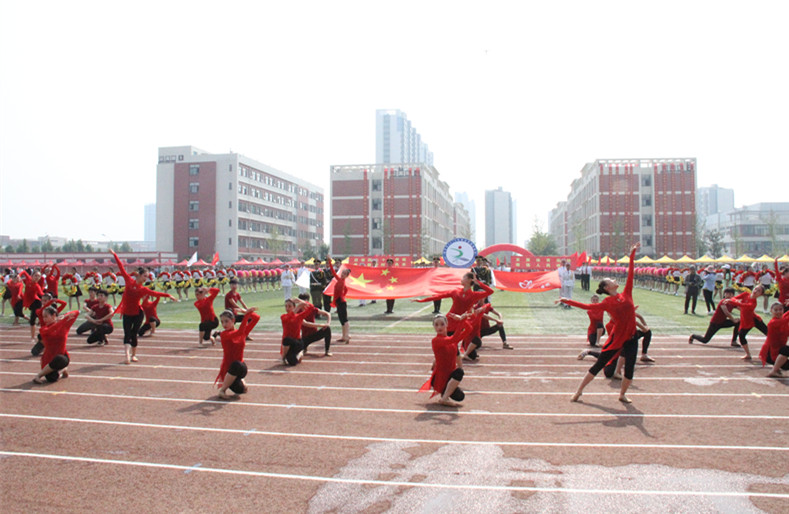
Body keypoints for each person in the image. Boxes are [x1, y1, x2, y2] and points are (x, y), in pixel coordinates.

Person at [560, 242, 640, 404]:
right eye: (610, 280)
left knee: (629, 369)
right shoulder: (607, 302)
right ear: (607, 287)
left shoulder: (627, 293)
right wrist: (567, 300)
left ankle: (622, 394)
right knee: (599, 365)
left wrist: (632, 255)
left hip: (631, 338)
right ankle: (579, 391)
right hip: (617, 338)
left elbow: (630, 274)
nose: (614, 280)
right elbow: (587, 306)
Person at [111, 251, 176, 364]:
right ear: (139, 275)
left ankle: (133, 355)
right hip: (127, 312)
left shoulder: (144, 289)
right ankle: (127, 355)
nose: (146, 278)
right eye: (145, 276)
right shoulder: (129, 280)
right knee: (127, 333)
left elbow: (155, 293)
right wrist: (114, 254)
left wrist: (168, 295)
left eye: (148, 276)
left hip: (137, 313)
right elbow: (121, 267)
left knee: (134, 333)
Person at [415, 272, 494, 335]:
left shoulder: (474, 295)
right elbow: (438, 296)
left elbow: (490, 291)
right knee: (445, 340)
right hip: (450, 319)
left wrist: (478, 282)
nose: (461, 279)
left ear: (470, 280)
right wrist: (422, 300)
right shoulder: (455, 291)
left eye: (464, 277)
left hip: (461, 320)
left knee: (454, 341)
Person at [419, 315, 473, 407]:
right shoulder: (436, 340)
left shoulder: (451, 340)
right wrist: (460, 322)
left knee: (460, 396)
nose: (439, 327)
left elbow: (469, 329)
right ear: (434, 327)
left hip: (449, 376)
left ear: (447, 325)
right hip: (440, 377)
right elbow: (454, 338)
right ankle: (444, 398)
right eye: (436, 325)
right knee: (460, 372)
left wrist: (462, 320)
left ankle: (445, 394)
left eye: (442, 324)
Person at [215, 308, 259, 399]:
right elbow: (240, 332)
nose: (224, 324)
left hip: (240, 365)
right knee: (239, 389)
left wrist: (245, 312)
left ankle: (240, 378)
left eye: (226, 321)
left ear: (233, 320)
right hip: (229, 368)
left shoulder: (243, 332)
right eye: (222, 322)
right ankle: (222, 390)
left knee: (243, 389)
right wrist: (247, 315)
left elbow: (256, 318)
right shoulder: (224, 334)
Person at [33, 308, 79, 384]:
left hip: (62, 356)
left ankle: (38, 376)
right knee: (52, 379)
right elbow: (51, 329)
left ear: (54, 315)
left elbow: (76, 312)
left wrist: (64, 316)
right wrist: (62, 320)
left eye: (46, 316)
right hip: (48, 359)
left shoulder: (63, 326)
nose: (44, 319)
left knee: (60, 359)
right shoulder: (43, 329)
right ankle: (62, 370)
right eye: (43, 317)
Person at [729, 286, 768, 360]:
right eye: (756, 288)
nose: (756, 290)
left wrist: (734, 302)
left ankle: (779, 349)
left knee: (769, 334)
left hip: (755, 320)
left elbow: (744, 306)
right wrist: (734, 300)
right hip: (746, 320)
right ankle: (748, 354)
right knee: (741, 335)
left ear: (760, 294)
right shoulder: (746, 294)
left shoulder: (754, 303)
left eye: (758, 291)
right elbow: (734, 298)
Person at [758, 303, 789, 377]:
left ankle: (776, 368)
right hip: (770, 354)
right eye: (775, 310)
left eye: (780, 309)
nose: (778, 312)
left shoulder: (781, 320)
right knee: (786, 349)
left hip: (777, 353)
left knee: (785, 349)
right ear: (771, 311)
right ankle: (774, 370)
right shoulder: (773, 322)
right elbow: (786, 319)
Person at [326, 256, 352, 344]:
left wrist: (329, 262)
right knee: (341, 319)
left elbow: (333, 272)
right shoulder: (341, 281)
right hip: (339, 301)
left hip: (341, 302)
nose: (342, 274)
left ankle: (347, 335)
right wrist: (343, 295)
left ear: (346, 276)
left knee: (344, 319)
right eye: (342, 273)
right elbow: (346, 289)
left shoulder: (341, 281)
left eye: (344, 274)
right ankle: (344, 336)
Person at [279, 297, 312, 365]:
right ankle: (284, 358)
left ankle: (300, 352)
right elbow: (289, 318)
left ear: (294, 307)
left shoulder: (299, 316)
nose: (287, 308)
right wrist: (299, 306)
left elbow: (311, 308)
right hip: (287, 344)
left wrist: (301, 301)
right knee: (292, 362)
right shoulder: (283, 317)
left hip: (297, 342)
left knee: (288, 340)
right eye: (286, 306)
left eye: (289, 306)